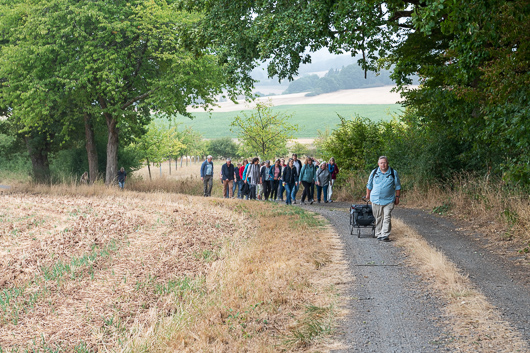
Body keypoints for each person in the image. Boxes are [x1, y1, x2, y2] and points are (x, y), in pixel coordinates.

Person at [365, 156, 401, 242]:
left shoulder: (393, 172)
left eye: (384, 163)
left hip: (388, 200)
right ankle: (378, 233)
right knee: (378, 217)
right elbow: (369, 185)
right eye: (381, 163)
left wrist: (397, 197)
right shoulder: (374, 172)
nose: (383, 165)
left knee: (387, 217)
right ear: (378, 164)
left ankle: (385, 235)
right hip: (375, 199)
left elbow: (398, 186)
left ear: (387, 163)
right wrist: (368, 195)